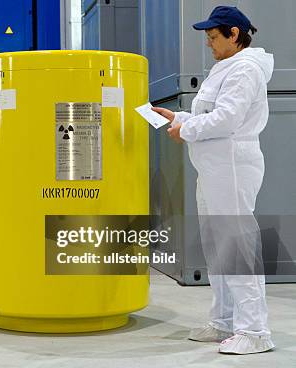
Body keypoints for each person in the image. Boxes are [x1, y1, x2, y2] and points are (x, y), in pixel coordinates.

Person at [152, 6, 275, 355]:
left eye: (213, 38)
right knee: (216, 245)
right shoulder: (225, 68)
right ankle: (224, 320)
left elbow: (227, 119)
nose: (209, 44)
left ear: (234, 34)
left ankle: (254, 330)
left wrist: (185, 128)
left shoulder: (245, 69)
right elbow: (211, 114)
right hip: (213, 167)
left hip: (232, 165)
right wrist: (177, 116)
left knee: (236, 245)